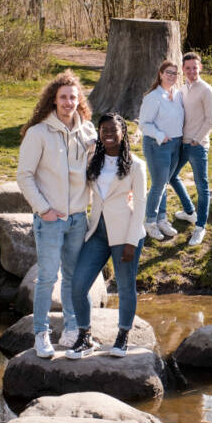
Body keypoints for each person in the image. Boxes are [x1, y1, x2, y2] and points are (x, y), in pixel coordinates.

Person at [16, 69, 97, 359]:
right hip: (50, 219)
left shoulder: (88, 131)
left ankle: (73, 331)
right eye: (63, 97)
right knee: (47, 277)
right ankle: (41, 334)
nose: (68, 102)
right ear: (53, 100)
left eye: (73, 97)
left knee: (75, 278)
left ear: (79, 100)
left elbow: (95, 172)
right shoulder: (38, 133)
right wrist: (44, 209)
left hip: (78, 218)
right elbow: (24, 176)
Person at [67, 113, 146, 359]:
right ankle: (85, 337)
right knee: (78, 286)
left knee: (125, 287)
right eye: (104, 130)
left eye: (113, 130)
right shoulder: (94, 160)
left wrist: (132, 242)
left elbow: (141, 204)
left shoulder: (136, 165)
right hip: (97, 233)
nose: (108, 134)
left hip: (125, 234)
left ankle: (122, 336)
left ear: (123, 132)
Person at [164, 52, 212, 246]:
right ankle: (189, 212)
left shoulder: (207, 90)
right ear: (183, 70)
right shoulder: (183, 89)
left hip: (197, 145)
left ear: (200, 67)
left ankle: (200, 226)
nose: (191, 71)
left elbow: (211, 120)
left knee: (202, 186)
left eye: (195, 67)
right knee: (171, 176)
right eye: (188, 68)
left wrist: (196, 140)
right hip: (182, 143)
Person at [139, 60, 184, 241]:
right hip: (158, 145)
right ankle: (150, 222)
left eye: (174, 73)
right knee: (159, 184)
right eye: (168, 72)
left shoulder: (177, 95)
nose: (172, 76)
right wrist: (160, 135)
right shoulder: (153, 97)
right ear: (160, 74)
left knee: (163, 183)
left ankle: (162, 219)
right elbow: (144, 124)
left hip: (176, 144)